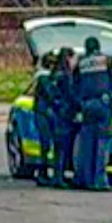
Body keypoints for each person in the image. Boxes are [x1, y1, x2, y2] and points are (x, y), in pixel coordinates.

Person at [72, 36, 112, 191]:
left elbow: (74, 84)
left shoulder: (81, 63)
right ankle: (100, 180)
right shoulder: (105, 60)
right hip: (103, 104)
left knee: (87, 144)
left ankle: (85, 179)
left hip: (87, 105)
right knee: (102, 143)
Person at [48, 48, 80, 188]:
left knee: (58, 147)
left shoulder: (55, 73)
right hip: (63, 115)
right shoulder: (65, 76)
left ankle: (58, 175)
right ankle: (58, 177)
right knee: (62, 147)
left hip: (57, 114)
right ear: (68, 58)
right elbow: (70, 95)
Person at [31, 54, 59, 186]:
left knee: (46, 144)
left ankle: (44, 172)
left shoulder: (43, 77)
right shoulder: (44, 77)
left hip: (43, 113)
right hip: (44, 114)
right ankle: (42, 173)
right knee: (46, 143)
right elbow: (51, 95)